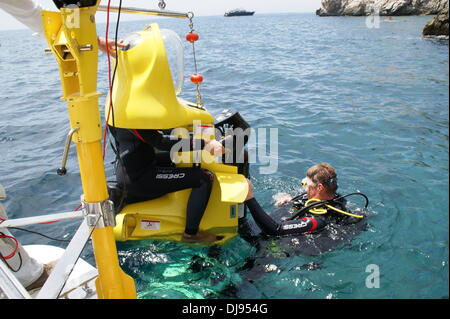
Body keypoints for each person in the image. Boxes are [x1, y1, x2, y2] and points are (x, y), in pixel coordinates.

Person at [244, 162, 364, 237]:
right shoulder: (327, 197)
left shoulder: (318, 220)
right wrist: (289, 199)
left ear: (319, 187)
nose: (305, 188)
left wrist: (249, 197)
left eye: (306, 184)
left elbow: (276, 230)